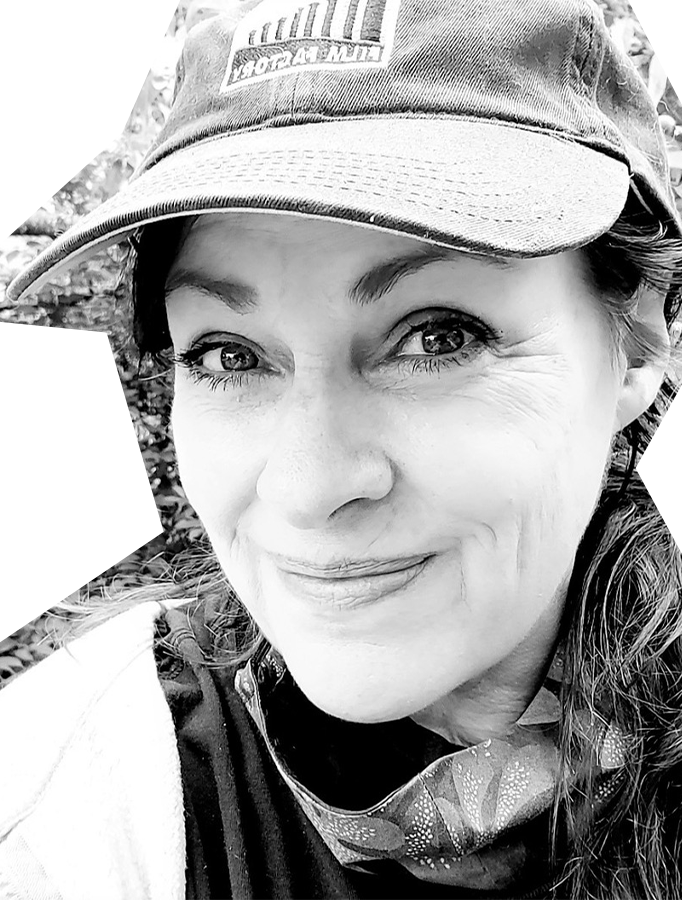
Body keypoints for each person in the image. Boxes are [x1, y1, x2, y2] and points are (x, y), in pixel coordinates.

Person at [2, 0, 682, 898]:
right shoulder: (80, 801)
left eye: (438, 337)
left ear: (634, 339)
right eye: (227, 356)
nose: (306, 486)